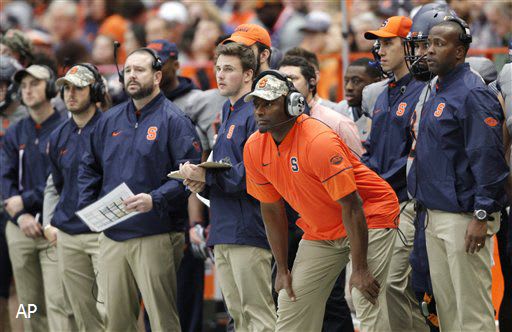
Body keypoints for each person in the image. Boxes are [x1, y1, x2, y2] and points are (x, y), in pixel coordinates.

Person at [243, 71, 400, 331]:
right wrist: (282, 269)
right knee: (291, 299)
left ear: (293, 104)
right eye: (257, 104)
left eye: (268, 103)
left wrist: (359, 268)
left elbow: (353, 206)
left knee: (363, 295)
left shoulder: (318, 141)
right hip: (322, 227)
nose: (260, 110)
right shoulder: (253, 147)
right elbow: (271, 210)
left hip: (370, 214)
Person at [77, 48, 202, 331]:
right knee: (116, 322)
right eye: (128, 70)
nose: (131, 76)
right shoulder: (109, 119)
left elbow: (190, 177)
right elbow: (89, 166)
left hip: (156, 233)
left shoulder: (174, 119)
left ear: (158, 76)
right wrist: (90, 208)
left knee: (162, 320)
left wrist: (154, 198)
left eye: (140, 70)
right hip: (112, 235)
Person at [407, 18, 508, 331]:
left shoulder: (472, 92)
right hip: (435, 213)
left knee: (472, 312)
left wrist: (481, 213)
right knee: (448, 312)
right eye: (427, 44)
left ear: (460, 52)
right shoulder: (437, 89)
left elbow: (488, 159)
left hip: (464, 217)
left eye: (440, 44)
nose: (429, 52)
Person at [179, 42, 276, 332]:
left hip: (249, 227)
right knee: (238, 315)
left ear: (248, 75)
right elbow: (223, 171)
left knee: (258, 315)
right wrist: (200, 181)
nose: (220, 75)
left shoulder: (256, 112)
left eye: (229, 69)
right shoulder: (228, 109)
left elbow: (254, 175)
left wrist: (207, 177)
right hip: (224, 225)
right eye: (218, 68)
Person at [362, 16, 429, 332]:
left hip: (405, 201)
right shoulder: (382, 93)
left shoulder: (422, 90)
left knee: (395, 284)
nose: (381, 49)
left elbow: (415, 156)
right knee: (384, 288)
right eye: (379, 43)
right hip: (378, 202)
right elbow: (373, 150)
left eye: (388, 43)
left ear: (408, 46)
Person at [1, 64, 74, 332]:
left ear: (52, 88)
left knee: (58, 300)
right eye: (24, 86)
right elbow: (4, 177)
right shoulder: (16, 130)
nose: (28, 90)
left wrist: (26, 203)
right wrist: (19, 215)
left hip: (52, 226)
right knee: (28, 303)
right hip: (19, 228)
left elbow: (63, 180)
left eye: (35, 84)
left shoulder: (66, 128)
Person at [44, 64, 108, 331]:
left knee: (112, 310)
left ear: (94, 91)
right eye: (66, 88)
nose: (71, 94)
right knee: (83, 316)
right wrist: (51, 222)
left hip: (104, 232)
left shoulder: (112, 127)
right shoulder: (58, 135)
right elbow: (58, 184)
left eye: (79, 88)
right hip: (69, 233)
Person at [279, 56, 363, 156]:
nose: (285, 85)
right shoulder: (274, 123)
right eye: (280, 80)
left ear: (312, 83)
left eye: (292, 78)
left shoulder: (338, 123)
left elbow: (356, 167)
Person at [0, 55, 26, 332]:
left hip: (21, 209)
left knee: (26, 288)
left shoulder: (27, 117)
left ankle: (28, 327)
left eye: (2, 85)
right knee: (2, 289)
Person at [338, 58, 383, 142]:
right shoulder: (339, 111)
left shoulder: (385, 113)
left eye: (356, 81)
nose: (348, 87)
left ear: (376, 83)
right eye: (346, 81)